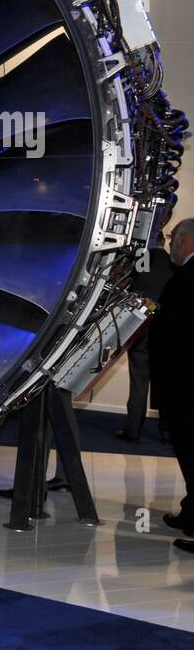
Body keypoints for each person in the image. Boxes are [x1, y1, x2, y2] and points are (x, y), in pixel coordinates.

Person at [149, 218, 194, 554]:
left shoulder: (189, 279)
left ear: (185, 241)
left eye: (173, 239)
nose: (171, 246)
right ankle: (191, 514)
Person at [117, 233, 174, 442]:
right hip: (166, 334)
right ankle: (167, 432)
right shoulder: (174, 264)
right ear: (164, 242)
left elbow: (127, 290)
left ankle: (133, 430)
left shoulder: (139, 263)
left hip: (141, 328)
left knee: (139, 380)